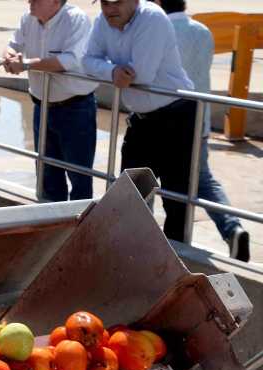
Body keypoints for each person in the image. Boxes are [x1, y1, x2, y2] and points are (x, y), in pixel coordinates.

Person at [83, 0, 196, 242]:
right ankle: (133, 247)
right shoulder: (103, 21)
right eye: (104, 2)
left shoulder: (152, 18)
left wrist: (106, 69)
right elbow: (87, 60)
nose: (110, 8)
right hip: (142, 118)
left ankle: (176, 259)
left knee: (176, 196)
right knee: (129, 192)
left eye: (117, 2)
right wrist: (112, 72)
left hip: (176, 114)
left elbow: (141, 74)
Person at [154, 0, 250, 261]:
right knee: (203, 179)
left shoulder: (160, 31)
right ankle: (233, 228)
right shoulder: (202, 30)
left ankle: (154, 238)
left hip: (169, 118)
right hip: (200, 118)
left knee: (159, 181)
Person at [1, 0, 98, 201]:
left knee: (79, 176)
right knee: (47, 175)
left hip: (75, 109)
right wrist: (10, 57)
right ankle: (53, 227)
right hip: (42, 107)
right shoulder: (28, 18)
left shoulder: (75, 20)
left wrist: (26, 65)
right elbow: (12, 45)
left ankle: (80, 228)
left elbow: (69, 60)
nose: (30, 1)